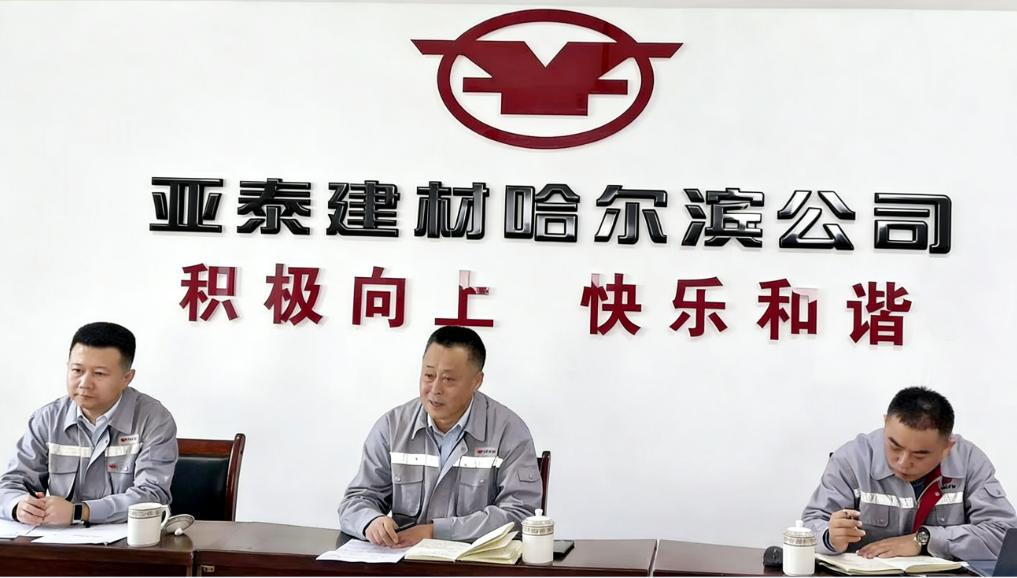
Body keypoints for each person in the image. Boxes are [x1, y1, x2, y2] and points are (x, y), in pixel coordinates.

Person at [339, 326, 542, 547]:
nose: (435, 389)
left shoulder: (509, 432)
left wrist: (437, 532)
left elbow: (520, 515)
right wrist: (371, 521)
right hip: (405, 559)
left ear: (477, 381)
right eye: (429, 375)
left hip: (474, 561)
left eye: (448, 379)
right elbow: (356, 500)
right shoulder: (393, 427)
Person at [802, 386, 1016, 561]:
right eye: (894, 446)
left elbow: (1005, 535)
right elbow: (810, 524)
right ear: (885, 423)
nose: (903, 463)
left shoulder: (969, 462)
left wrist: (925, 540)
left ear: (946, 448)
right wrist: (830, 537)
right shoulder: (852, 459)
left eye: (920, 455)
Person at [0, 322, 177, 526]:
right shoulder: (47, 419)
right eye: (77, 370)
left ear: (126, 378)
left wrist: (80, 512)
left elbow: (152, 495)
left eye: (99, 374)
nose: (84, 383)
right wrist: (19, 506)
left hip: (127, 541)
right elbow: (11, 484)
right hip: (58, 540)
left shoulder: (154, 420)